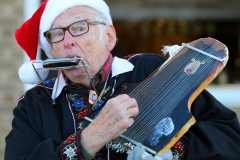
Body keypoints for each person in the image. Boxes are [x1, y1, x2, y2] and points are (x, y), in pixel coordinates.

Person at [5, 0, 240, 159]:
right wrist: (88, 139)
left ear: (108, 37)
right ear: (52, 51)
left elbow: (230, 138)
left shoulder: (150, 69)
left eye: (79, 28)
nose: (68, 42)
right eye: (56, 35)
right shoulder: (34, 104)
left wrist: (173, 150)